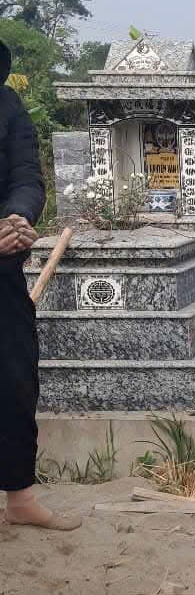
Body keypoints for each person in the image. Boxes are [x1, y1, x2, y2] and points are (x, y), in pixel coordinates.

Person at [0, 39, 81, 531]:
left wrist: (18, 217)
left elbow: (27, 175)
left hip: (3, 267)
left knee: (14, 381)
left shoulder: (7, 103)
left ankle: (20, 497)